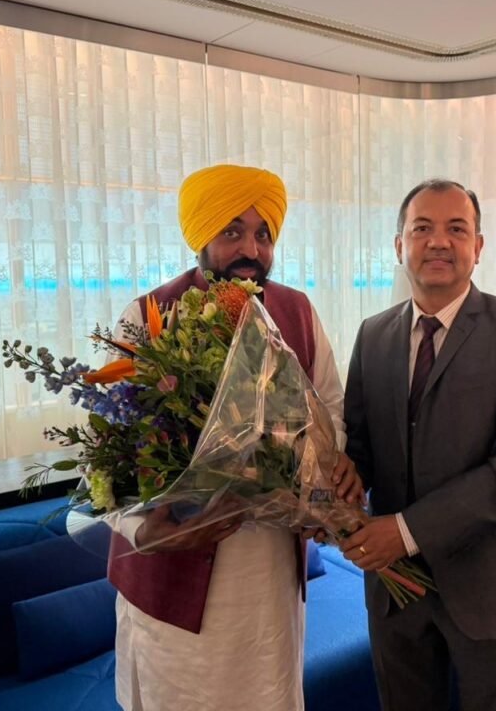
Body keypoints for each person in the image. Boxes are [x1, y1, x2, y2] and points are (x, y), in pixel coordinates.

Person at [108, 164, 362, 711]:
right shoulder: (148, 316)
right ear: (200, 235)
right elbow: (106, 455)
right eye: (232, 231)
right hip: (172, 588)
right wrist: (144, 530)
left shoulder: (298, 312)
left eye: (263, 233)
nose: (251, 249)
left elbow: (332, 411)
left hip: (268, 582)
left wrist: (323, 479)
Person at [341, 179, 496, 711]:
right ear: (399, 246)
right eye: (422, 228)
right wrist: (334, 485)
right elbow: (361, 448)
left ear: (477, 247)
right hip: (395, 590)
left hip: (492, 582)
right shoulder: (372, 335)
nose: (439, 241)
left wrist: (405, 531)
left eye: (456, 229)